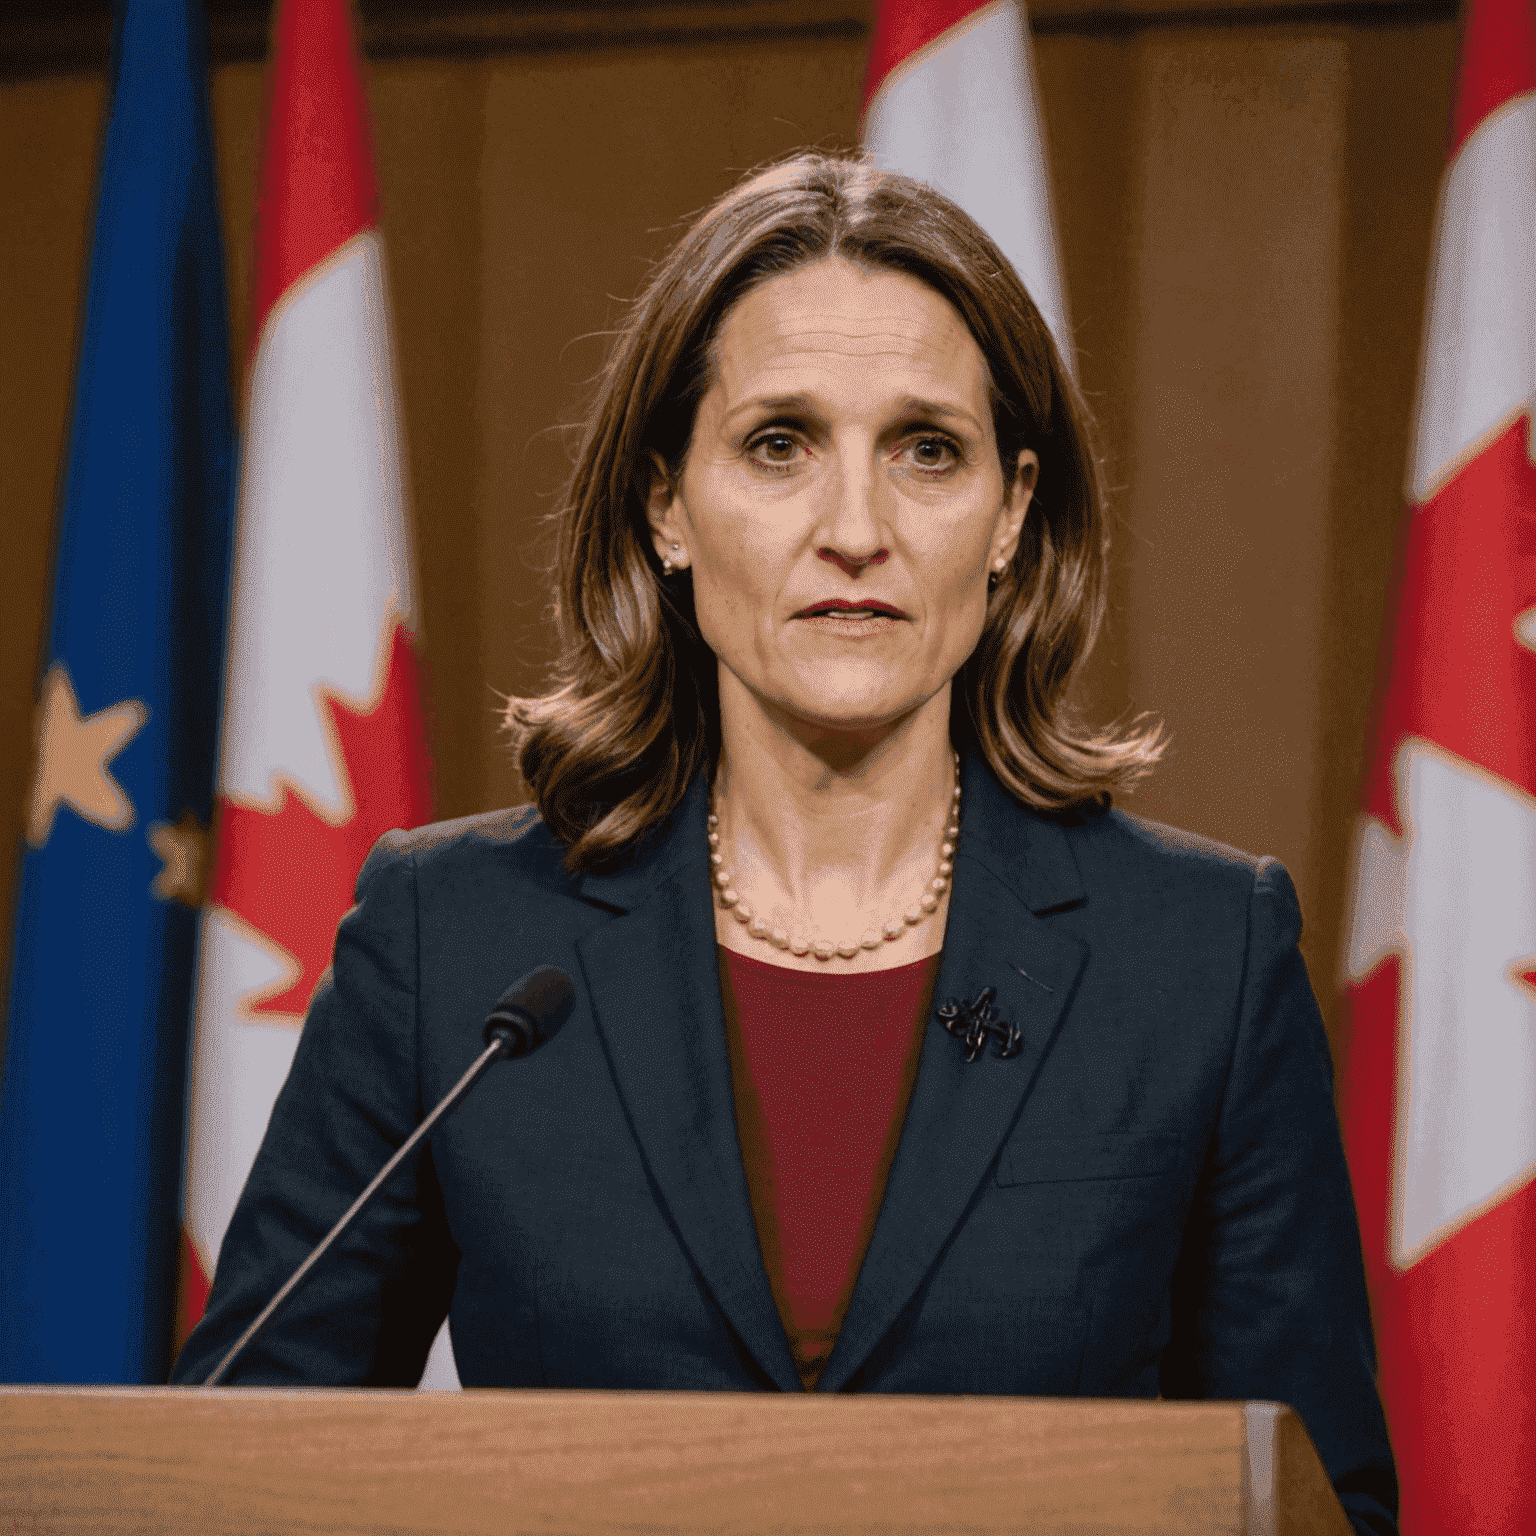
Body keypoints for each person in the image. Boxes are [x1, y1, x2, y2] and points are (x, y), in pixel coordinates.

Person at [173, 151, 1397, 1534]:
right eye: (778, 445)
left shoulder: (1197, 960)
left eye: (927, 450)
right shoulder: (455, 944)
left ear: (1008, 516)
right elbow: (232, 1479)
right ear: (665, 507)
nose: (856, 530)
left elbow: (1322, 1507)